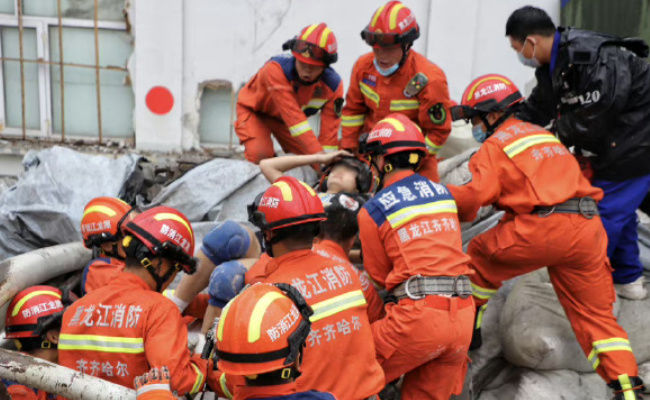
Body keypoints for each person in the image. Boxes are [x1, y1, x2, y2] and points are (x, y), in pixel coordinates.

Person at [448, 74, 643, 400]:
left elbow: (473, 198)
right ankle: (627, 388)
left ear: (493, 114)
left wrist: (439, 197)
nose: (473, 127)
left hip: (543, 229)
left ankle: (471, 330)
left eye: (474, 119)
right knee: (596, 319)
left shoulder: (495, 147)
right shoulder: (544, 136)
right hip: (587, 227)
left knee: (480, 254)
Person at [505, 5, 650, 300]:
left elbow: (600, 111)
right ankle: (629, 278)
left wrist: (554, 134)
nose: (518, 55)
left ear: (531, 42)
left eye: (517, 48)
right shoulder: (554, 65)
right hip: (618, 140)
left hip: (638, 141)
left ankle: (585, 284)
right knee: (617, 210)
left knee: (602, 214)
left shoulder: (595, 57)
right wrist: (507, 133)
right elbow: (537, 106)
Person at [213, 176, 385, 400]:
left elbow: (249, 381)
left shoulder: (269, 296)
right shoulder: (346, 272)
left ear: (269, 234)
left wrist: (209, 373)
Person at [357, 113, 474, 400]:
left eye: (373, 159)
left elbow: (380, 278)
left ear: (382, 162)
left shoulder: (373, 210)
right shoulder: (444, 194)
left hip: (417, 320)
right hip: (463, 318)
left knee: (346, 372)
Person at [58, 206, 208, 395]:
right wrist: (202, 362)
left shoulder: (75, 310)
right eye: (176, 270)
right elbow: (180, 381)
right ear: (158, 263)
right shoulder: (159, 309)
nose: (172, 279)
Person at [340, 1, 453, 183]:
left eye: (389, 49)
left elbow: (438, 132)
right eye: (376, 49)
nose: (382, 56)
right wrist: (348, 151)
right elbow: (353, 111)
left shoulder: (430, 79)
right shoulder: (363, 67)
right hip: (370, 160)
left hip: (414, 166)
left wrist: (410, 162)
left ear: (407, 45)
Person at [235, 23, 344, 164]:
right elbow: (295, 119)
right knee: (260, 155)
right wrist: (320, 157)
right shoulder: (275, 70)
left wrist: (327, 165)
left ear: (325, 66)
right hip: (254, 112)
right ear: (295, 56)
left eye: (313, 66)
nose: (306, 70)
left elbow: (329, 135)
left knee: (313, 164)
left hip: (285, 122)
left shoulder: (333, 87)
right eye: (302, 63)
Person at [3, 286, 69, 400]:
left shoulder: (39, 375)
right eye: (70, 323)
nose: (77, 327)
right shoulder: (17, 388)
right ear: (54, 337)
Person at [80, 197, 133, 295]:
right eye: (128, 236)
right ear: (107, 245)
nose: (137, 238)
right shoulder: (99, 271)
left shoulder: (125, 260)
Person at [260, 150, 375, 194]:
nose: (340, 171)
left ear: (359, 187)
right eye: (337, 167)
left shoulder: (360, 210)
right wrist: (320, 159)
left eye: (350, 170)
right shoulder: (308, 197)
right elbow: (267, 165)